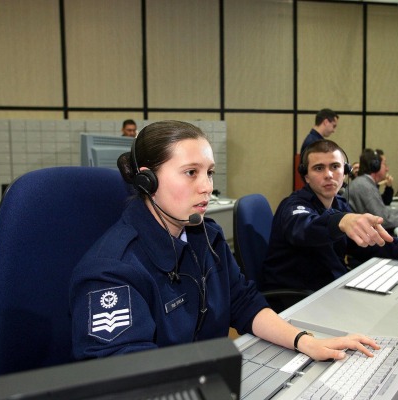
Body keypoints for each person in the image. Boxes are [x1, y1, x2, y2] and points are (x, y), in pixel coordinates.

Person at [70, 120, 382, 362]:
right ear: (147, 179)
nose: (207, 186)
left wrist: (305, 341)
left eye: (210, 173)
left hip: (208, 377)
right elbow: (124, 378)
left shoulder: (206, 235)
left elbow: (243, 302)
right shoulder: (111, 272)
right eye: (191, 173)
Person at [262, 140, 398, 292]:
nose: (328, 174)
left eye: (335, 166)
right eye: (319, 168)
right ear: (306, 176)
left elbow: (368, 245)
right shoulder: (293, 206)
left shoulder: (339, 204)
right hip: (296, 298)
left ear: (345, 171)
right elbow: (305, 228)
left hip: (329, 289)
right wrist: (341, 221)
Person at [345, 149, 398, 230]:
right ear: (376, 166)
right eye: (384, 164)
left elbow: (384, 212)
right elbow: (384, 221)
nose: (387, 169)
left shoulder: (364, 182)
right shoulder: (365, 186)